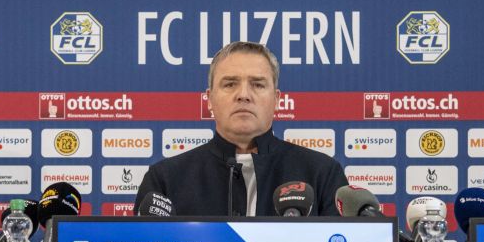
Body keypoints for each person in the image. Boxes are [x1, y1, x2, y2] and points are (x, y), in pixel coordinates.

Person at [135, 41, 348, 216]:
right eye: (230, 84)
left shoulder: (323, 174)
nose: (243, 94)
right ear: (209, 99)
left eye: (257, 84)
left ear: (276, 99)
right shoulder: (165, 180)